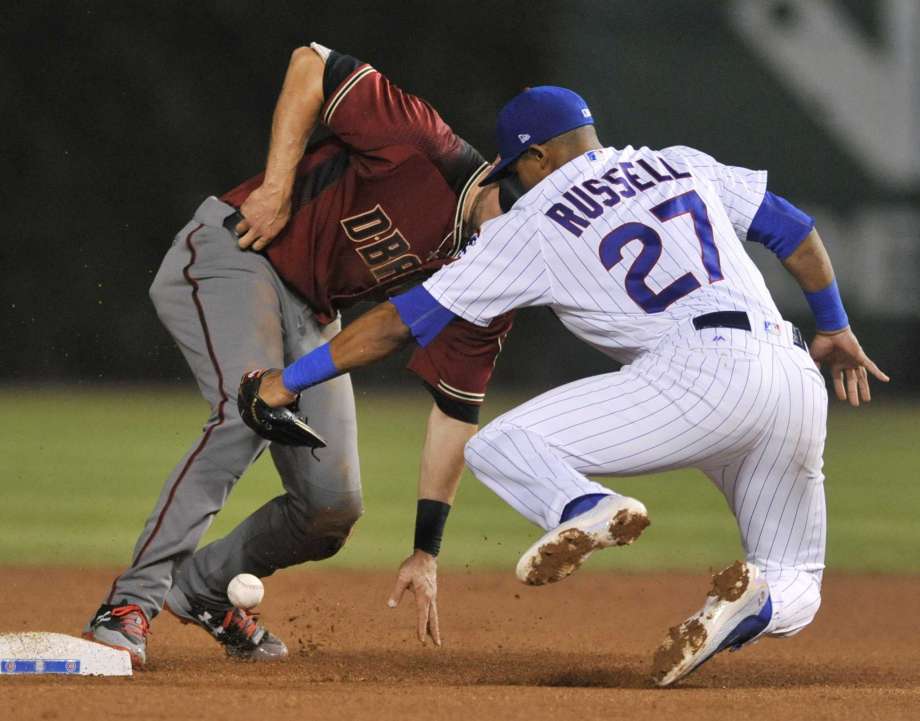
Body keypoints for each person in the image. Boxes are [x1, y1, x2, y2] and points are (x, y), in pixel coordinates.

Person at [253, 86, 889, 686]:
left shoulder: (534, 220)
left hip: (700, 372)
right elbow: (792, 228)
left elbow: (399, 323)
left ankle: (583, 508)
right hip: (792, 372)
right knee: (798, 578)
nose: (514, 184)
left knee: (501, 444)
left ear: (538, 154)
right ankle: (755, 605)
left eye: (515, 170)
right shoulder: (678, 164)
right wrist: (833, 324)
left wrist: (288, 381)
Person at [83, 42, 516, 668]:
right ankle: (127, 606)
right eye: (523, 194)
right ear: (505, 165)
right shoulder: (425, 143)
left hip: (313, 313)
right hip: (238, 253)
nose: (525, 216)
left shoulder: (494, 270)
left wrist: (428, 549)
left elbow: (456, 412)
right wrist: (279, 185)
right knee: (245, 412)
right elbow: (310, 62)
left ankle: (204, 589)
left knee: (330, 509)